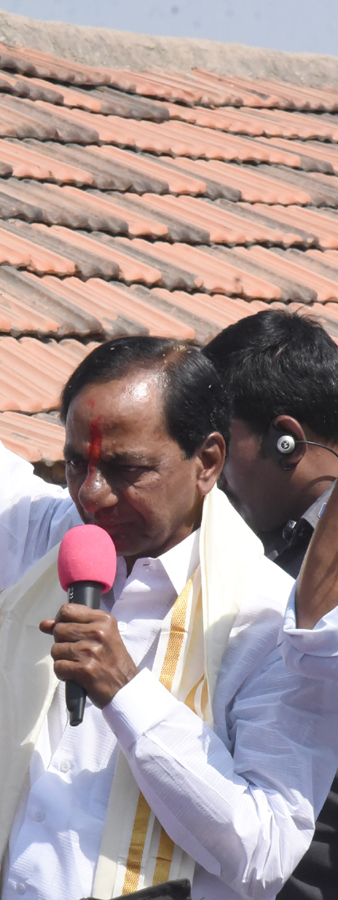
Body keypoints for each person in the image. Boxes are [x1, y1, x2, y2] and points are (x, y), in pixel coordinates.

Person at [0, 106, 338, 900]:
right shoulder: (46, 543)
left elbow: (263, 850)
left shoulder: (267, 621)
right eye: (73, 468)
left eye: (126, 470)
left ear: (206, 461)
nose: (92, 495)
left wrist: (128, 694)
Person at [204, 310, 338, 900]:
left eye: (220, 446)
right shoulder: (270, 548)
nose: (212, 474)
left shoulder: (313, 564)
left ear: (286, 440)